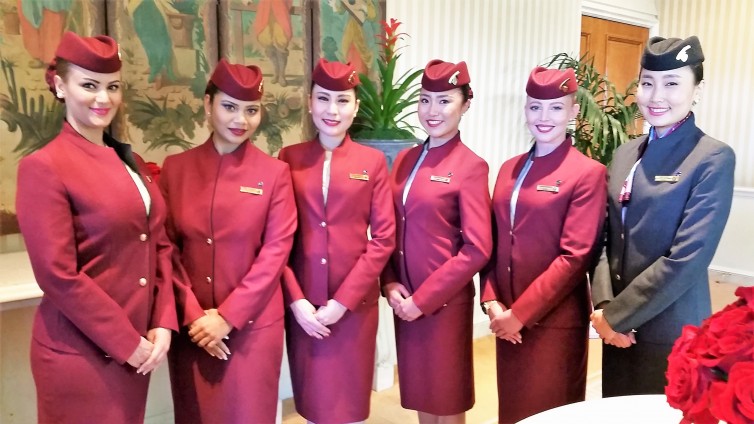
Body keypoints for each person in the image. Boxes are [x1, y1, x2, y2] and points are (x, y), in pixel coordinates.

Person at [16, 31, 177, 423]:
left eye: (112, 87)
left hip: (135, 348)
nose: (103, 99)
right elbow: (58, 275)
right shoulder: (45, 167)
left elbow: (158, 245)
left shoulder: (131, 160)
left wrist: (163, 321)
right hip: (82, 354)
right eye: (89, 85)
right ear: (60, 85)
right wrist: (127, 343)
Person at [590, 36, 736, 396]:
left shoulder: (712, 157)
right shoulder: (625, 153)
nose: (656, 96)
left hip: (669, 327)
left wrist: (616, 316)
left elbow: (687, 257)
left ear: (697, 90)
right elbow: (606, 238)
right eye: (647, 83)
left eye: (672, 83)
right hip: (618, 326)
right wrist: (605, 304)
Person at [159, 59, 297, 423]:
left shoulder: (275, 173)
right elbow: (166, 249)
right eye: (229, 107)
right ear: (208, 105)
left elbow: (275, 252)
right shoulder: (176, 168)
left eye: (251, 110)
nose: (241, 120)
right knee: (195, 415)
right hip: (194, 329)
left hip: (253, 329)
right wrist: (193, 317)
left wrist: (228, 317)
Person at [479, 67, 607, 423]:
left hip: (553, 322)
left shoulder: (587, 172)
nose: (543, 117)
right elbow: (494, 239)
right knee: (514, 412)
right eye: (535, 107)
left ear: (573, 111)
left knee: (550, 413)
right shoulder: (508, 168)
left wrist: (519, 315)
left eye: (555, 107)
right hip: (505, 317)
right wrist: (491, 301)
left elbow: (575, 256)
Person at [278, 58, 395, 424]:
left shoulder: (372, 161)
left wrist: (342, 302)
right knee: (313, 403)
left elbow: (384, 238)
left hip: (354, 307)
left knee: (350, 404)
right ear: (310, 101)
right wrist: (296, 301)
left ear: (356, 106)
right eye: (323, 98)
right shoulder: (289, 159)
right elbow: (278, 239)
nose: (332, 110)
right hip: (304, 306)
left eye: (343, 100)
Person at [381, 59, 492, 424]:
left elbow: (477, 248)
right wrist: (390, 282)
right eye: (425, 99)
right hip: (405, 298)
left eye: (444, 101)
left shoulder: (471, 166)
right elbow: (389, 229)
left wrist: (423, 300)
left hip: (442, 304)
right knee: (421, 392)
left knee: (446, 397)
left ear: (465, 105)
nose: (432, 111)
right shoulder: (405, 160)